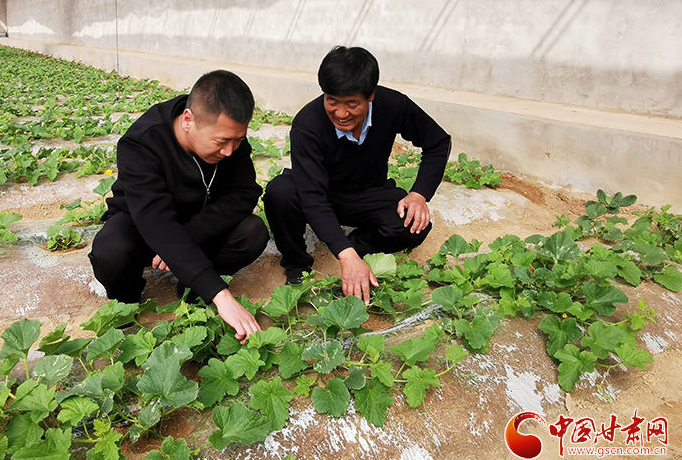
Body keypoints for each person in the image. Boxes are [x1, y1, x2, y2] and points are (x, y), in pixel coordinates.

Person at [88, 70, 269, 342]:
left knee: (253, 232)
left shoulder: (230, 139)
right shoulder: (141, 142)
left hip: (199, 227)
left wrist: (193, 234)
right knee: (110, 251)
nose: (230, 151)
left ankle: (193, 288)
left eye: (238, 140)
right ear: (188, 120)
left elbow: (244, 193)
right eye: (221, 142)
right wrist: (222, 296)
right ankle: (127, 302)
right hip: (146, 225)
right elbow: (156, 222)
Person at [264, 46, 451, 305]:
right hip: (321, 192)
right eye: (332, 101)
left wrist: (419, 194)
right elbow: (313, 197)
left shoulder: (393, 104)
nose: (341, 114)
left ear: (370, 95)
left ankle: (354, 245)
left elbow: (438, 142)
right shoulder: (308, 124)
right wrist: (345, 255)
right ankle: (297, 266)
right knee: (280, 192)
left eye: (352, 104)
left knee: (414, 225)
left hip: (368, 192)